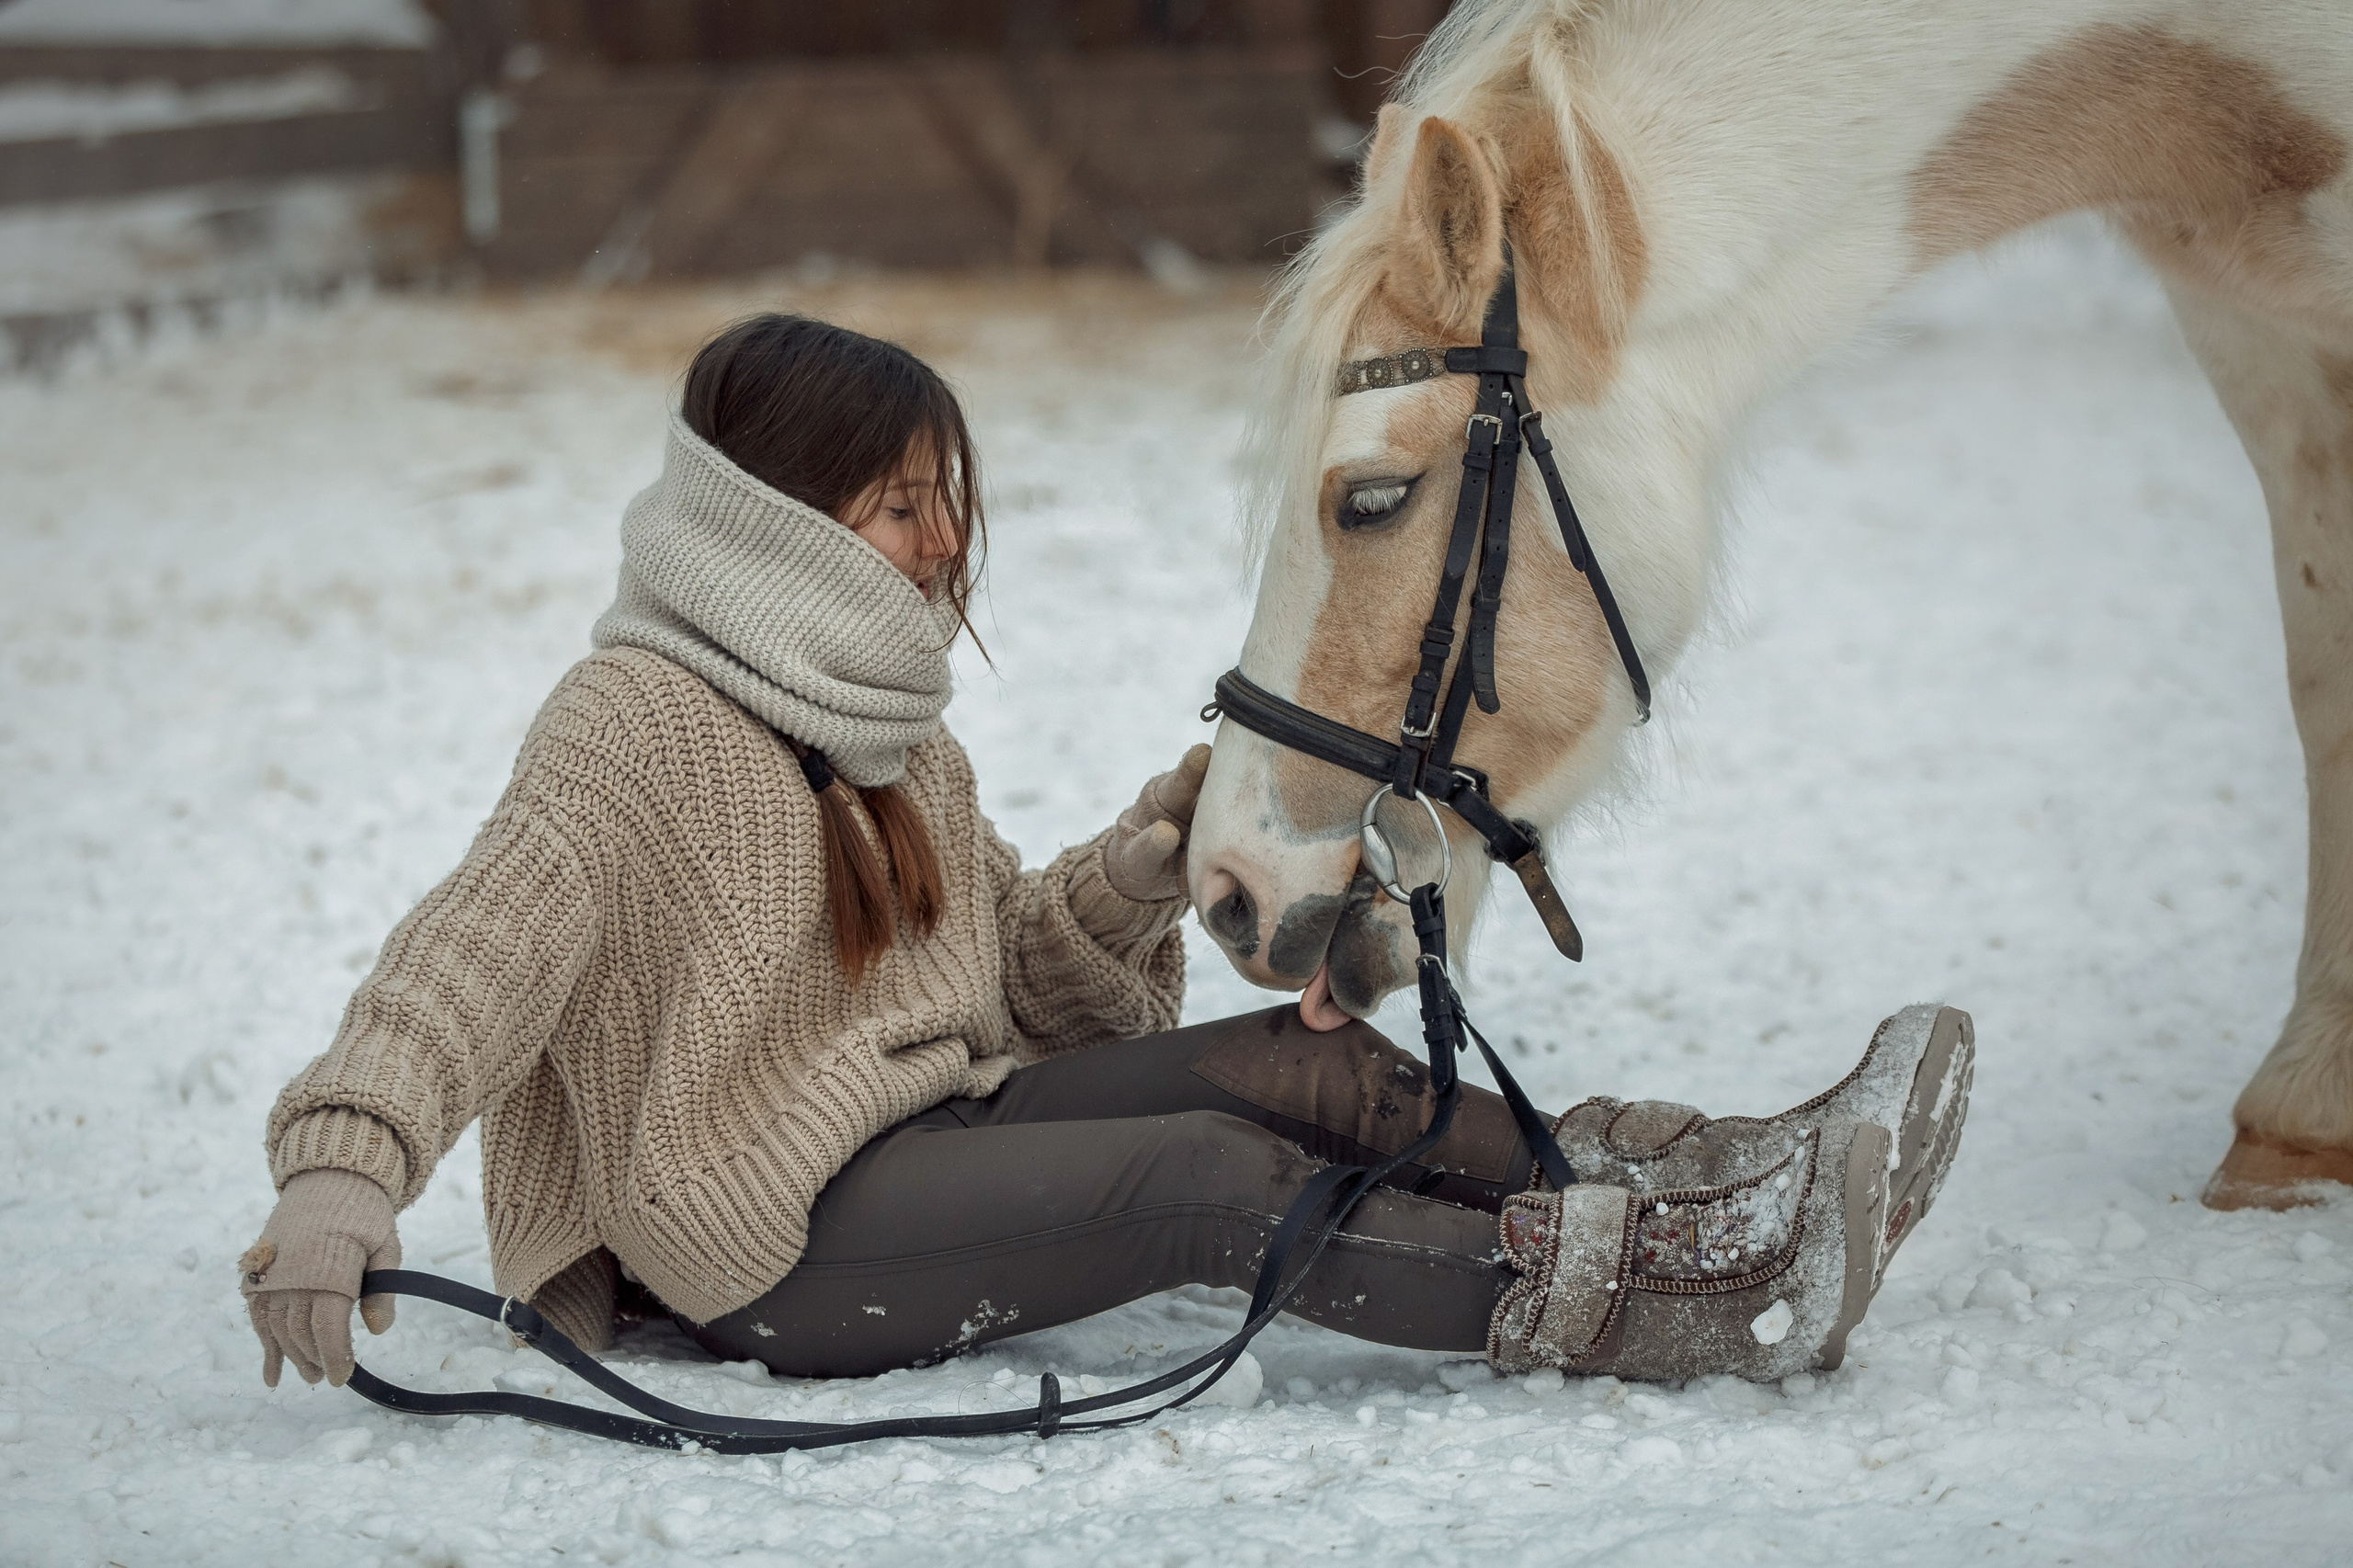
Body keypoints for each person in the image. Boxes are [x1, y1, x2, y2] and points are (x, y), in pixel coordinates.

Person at [238, 313, 1972, 1394]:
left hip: (927, 1124)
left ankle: (1689, 1177)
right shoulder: (632, 723)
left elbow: (1010, 974)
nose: (942, 544)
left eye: (946, 501)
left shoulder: (893, 727)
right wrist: (344, 1170)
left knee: (1308, 1071)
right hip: (759, 1239)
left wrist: (1133, 874)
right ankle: (1670, 1302)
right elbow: (468, 954)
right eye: (900, 503)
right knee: (1211, 1180)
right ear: (773, 514)